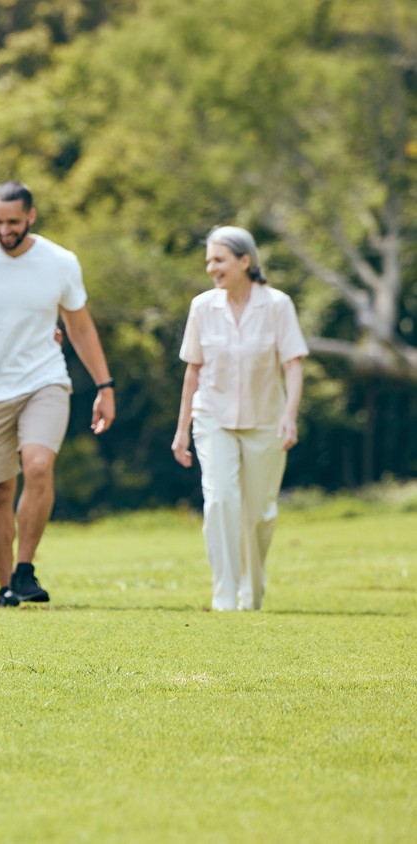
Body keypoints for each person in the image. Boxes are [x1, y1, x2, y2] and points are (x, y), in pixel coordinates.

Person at [0, 181, 116, 607]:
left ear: (31, 217)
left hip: (45, 379)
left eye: (12, 221)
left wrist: (105, 385)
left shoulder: (60, 262)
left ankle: (25, 569)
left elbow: (79, 326)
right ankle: (7, 585)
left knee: (39, 465)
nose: (4, 230)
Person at [171, 225, 308, 611]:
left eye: (219, 260)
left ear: (244, 261)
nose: (212, 268)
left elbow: (293, 364)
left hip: (266, 420)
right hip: (212, 417)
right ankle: (225, 595)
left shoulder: (278, 305)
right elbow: (192, 372)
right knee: (220, 501)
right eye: (209, 261)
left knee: (258, 513)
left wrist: (289, 415)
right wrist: (182, 430)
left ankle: (252, 591)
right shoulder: (202, 307)